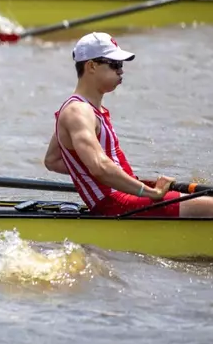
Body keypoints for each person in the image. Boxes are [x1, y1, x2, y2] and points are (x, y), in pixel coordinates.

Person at [43, 33, 212, 218]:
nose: (121, 71)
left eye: (121, 65)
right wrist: (149, 192)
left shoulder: (84, 109)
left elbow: (53, 160)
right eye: (115, 65)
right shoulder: (78, 112)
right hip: (117, 204)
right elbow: (99, 166)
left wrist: (128, 181)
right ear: (91, 66)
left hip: (126, 195)